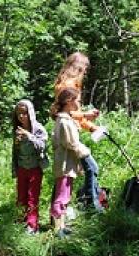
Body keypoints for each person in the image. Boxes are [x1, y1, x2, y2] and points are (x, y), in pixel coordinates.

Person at [53, 52, 106, 212]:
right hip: (68, 137)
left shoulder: (74, 86)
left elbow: (76, 116)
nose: (85, 73)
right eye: (84, 69)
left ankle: (83, 205)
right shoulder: (67, 86)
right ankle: (92, 206)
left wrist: (92, 127)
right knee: (88, 169)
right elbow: (64, 114)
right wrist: (85, 115)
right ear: (77, 68)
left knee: (70, 178)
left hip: (73, 134)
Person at [50, 87, 91, 237]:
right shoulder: (64, 121)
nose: (79, 103)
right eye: (77, 100)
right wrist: (86, 153)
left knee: (65, 196)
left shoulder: (66, 118)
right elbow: (71, 143)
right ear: (69, 102)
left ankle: (62, 226)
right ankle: (57, 228)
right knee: (61, 197)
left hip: (68, 164)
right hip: (65, 165)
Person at [12, 99, 49, 234]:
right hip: (22, 168)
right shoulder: (17, 130)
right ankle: (20, 220)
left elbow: (42, 146)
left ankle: (32, 225)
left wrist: (29, 135)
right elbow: (15, 152)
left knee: (32, 197)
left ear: (30, 113)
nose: (21, 116)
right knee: (21, 196)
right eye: (18, 114)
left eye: (24, 113)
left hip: (35, 168)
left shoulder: (38, 129)